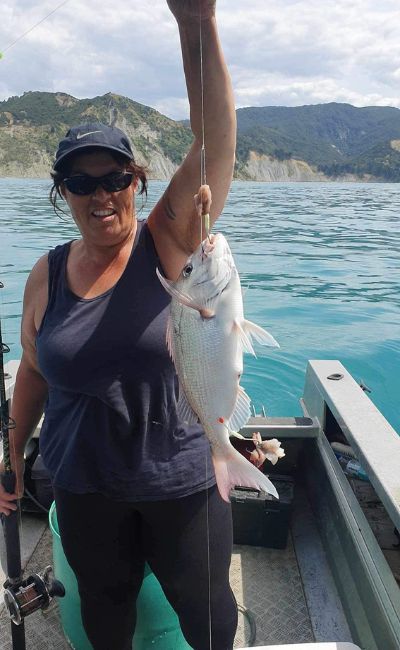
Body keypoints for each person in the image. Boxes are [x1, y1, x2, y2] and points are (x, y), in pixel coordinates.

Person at [0, 1, 237, 648]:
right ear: (61, 191)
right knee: (105, 622)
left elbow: (213, 144)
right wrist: (13, 455)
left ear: (138, 182)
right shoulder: (45, 273)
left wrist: (199, 24)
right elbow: (34, 374)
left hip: (182, 484)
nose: (101, 194)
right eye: (82, 180)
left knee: (209, 619)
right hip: (81, 488)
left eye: (117, 178)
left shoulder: (169, 239)